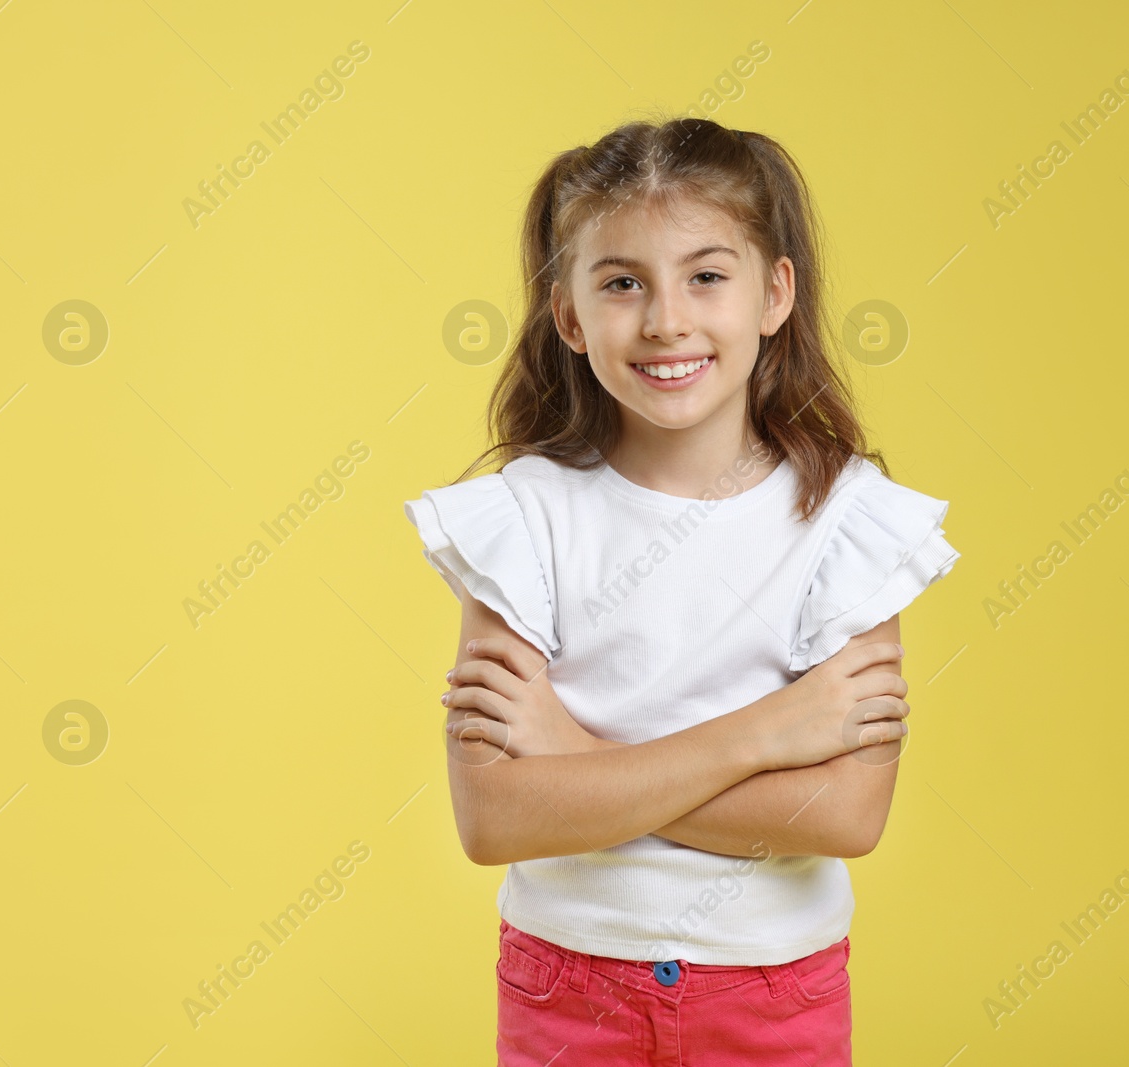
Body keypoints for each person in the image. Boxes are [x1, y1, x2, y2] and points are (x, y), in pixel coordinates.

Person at [404, 115, 961, 1066]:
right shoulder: (522, 519)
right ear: (570, 316)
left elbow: (844, 815)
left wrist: (574, 757)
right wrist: (765, 737)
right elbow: (496, 818)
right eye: (622, 282)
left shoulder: (849, 521)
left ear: (773, 294)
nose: (666, 319)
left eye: (707, 275)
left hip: (775, 992)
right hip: (568, 984)